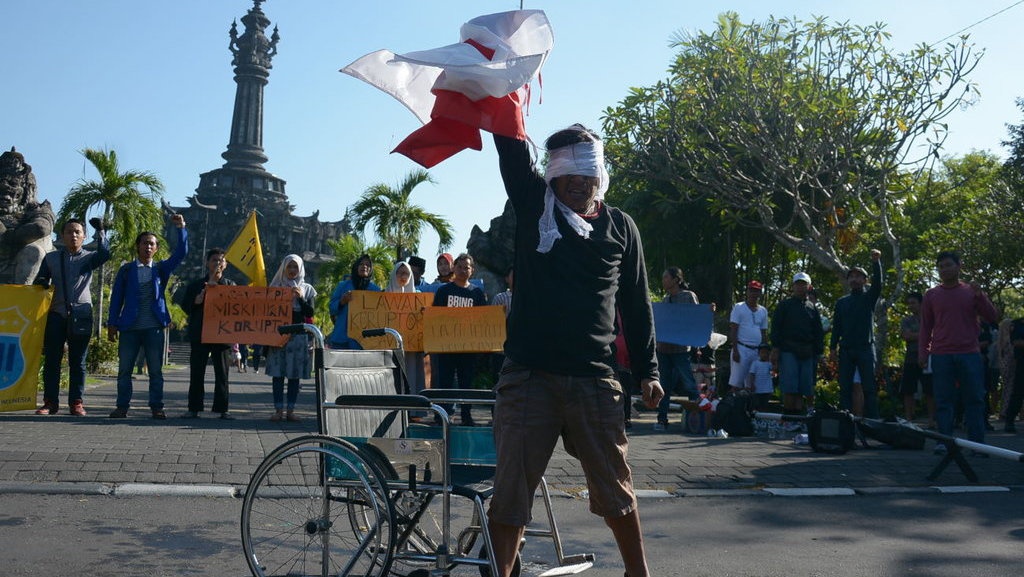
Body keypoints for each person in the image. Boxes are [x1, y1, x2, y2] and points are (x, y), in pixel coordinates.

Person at [490, 124, 662, 577]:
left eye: (587, 173)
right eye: (569, 172)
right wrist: (501, 93)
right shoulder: (534, 205)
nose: (579, 182)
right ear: (553, 175)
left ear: (598, 175)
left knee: (616, 491)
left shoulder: (621, 227)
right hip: (529, 377)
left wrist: (649, 371)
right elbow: (510, 148)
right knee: (510, 496)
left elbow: (636, 304)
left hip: (595, 380)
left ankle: (638, 573)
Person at [107, 214, 188, 419]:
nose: (148, 247)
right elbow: (116, 299)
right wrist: (112, 324)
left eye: (152, 244)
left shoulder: (161, 269)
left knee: (155, 371)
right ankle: (122, 407)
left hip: (154, 327)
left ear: (156, 249)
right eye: (145, 243)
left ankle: (157, 407)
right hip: (129, 328)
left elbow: (181, 253)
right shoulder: (126, 270)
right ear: (138, 246)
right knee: (124, 370)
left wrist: (181, 228)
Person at [918, 251, 999, 453]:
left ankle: (977, 445)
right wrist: (923, 352)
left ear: (958, 266)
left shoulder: (971, 291)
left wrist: (981, 296)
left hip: (969, 353)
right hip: (941, 354)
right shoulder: (931, 295)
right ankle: (944, 442)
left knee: (975, 399)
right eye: (941, 267)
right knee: (943, 401)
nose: (944, 269)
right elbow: (926, 327)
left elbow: (992, 317)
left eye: (948, 265)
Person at [33, 217, 111, 416]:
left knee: (78, 362)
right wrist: (41, 281)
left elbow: (105, 254)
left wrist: (101, 231)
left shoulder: (89, 258)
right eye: (69, 232)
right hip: (56, 314)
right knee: (52, 360)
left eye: (77, 232)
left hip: (81, 314)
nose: (73, 235)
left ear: (84, 236)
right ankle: (50, 402)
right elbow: (40, 278)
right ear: (62, 235)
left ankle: (76, 402)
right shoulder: (51, 258)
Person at [431, 253, 487, 425]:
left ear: (472, 270)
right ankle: (441, 416)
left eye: (467, 267)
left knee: (466, 382)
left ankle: (466, 415)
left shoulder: (477, 293)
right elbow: (435, 316)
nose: (463, 270)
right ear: (454, 268)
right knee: (444, 382)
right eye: (460, 267)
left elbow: (484, 318)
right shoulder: (443, 291)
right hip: (446, 347)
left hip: (468, 347)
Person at [180, 248, 235, 420]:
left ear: (225, 264)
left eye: (221, 260)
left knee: (222, 373)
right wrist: (197, 300)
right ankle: (194, 408)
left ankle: (222, 409)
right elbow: (185, 306)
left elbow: (237, 309)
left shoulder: (231, 286)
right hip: (200, 334)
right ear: (207, 263)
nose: (218, 263)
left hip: (222, 335)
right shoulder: (196, 285)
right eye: (214, 260)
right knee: (197, 372)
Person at [829, 249, 883, 418]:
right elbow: (837, 327)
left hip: (865, 349)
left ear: (864, 280)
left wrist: (876, 263)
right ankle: (845, 422)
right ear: (848, 281)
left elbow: (878, 284)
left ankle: (873, 423)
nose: (854, 279)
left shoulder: (869, 298)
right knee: (845, 388)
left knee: (869, 389)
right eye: (851, 276)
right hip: (846, 350)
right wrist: (832, 348)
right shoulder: (841, 302)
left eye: (858, 276)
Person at [265, 254, 316, 422]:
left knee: (294, 375)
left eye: (295, 267)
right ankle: (278, 410)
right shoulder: (275, 287)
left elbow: (310, 313)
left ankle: (290, 410)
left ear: (300, 269)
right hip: (278, 335)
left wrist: (300, 298)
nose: (292, 270)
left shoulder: (307, 289)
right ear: (284, 268)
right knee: (278, 374)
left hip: (298, 336)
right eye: (289, 266)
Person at [770, 272, 824, 424]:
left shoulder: (812, 308)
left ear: (809, 287)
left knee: (803, 388)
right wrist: (775, 348)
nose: (800, 287)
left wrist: (819, 353)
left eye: (803, 284)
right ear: (793, 286)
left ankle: (797, 421)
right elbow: (776, 328)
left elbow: (818, 332)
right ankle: (788, 420)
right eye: (797, 284)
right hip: (788, 350)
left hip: (807, 352)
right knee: (790, 387)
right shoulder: (784, 305)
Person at [653, 266, 698, 431]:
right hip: (664, 349)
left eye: (666, 277)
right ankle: (662, 419)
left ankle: (697, 416)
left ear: (676, 280)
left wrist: (708, 311)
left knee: (689, 383)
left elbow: (697, 317)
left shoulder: (688, 296)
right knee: (664, 385)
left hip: (680, 350)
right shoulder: (665, 300)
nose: (663, 281)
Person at [386, 260, 426, 400]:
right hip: (389, 345)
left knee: (411, 375)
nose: (403, 276)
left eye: (406, 273)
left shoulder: (419, 296)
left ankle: (412, 407)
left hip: (411, 347)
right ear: (394, 274)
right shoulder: (384, 295)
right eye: (400, 273)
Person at [327, 254, 380, 349]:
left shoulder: (375, 290)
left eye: (368, 265)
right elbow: (331, 308)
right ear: (356, 267)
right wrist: (341, 302)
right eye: (361, 264)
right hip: (342, 339)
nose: (364, 266)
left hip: (366, 341)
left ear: (371, 269)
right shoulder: (343, 286)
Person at [728, 280, 769, 396]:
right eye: (751, 290)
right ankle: (733, 404)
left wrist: (765, 352)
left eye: (756, 291)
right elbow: (734, 329)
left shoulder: (763, 311)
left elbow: (764, 332)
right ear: (747, 292)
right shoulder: (739, 307)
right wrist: (735, 350)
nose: (754, 293)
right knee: (736, 384)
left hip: (757, 351)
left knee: (752, 384)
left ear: (760, 293)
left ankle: (749, 406)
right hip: (742, 349)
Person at [899, 292, 935, 426]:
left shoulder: (931, 318)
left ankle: (932, 419)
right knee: (908, 389)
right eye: (909, 303)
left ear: (921, 303)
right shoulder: (906, 320)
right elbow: (906, 336)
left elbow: (936, 335)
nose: (910, 306)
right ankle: (908, 419)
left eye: (913, 303)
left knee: (930, 390)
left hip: (929, 357)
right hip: (911, 357)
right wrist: (926, 335)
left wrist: (917, 335)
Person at [1004, 317, 1024, 433]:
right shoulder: (1018, 324)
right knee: (1018, 393)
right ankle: (1010, 420)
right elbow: (1016, 342)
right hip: (1022, 362)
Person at [747, 344, 775, 412]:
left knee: (765, 405)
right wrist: (752, 384)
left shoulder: (769, 364)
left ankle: (764, 416)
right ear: (759, 353)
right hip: (757, 389)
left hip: (767, 389)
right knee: (756, 405)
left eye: (766, 353)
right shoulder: (755, 363)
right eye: (762, 352)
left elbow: (774, 372)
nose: (764, 355)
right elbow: (752, 374)